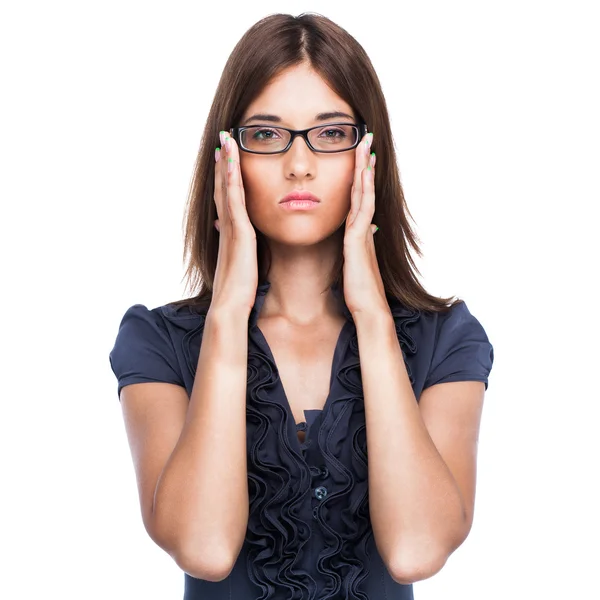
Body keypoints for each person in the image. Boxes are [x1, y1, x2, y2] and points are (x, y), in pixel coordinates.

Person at [108, 11, 494, 600]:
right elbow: (204, 548)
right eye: (266, 135)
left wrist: (372, 316)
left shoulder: (448, 339)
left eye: (331, 133)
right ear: (227, 157)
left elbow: (416, 549)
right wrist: (229, 315)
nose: (299, 163)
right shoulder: (157, 341)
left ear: (370, 156)